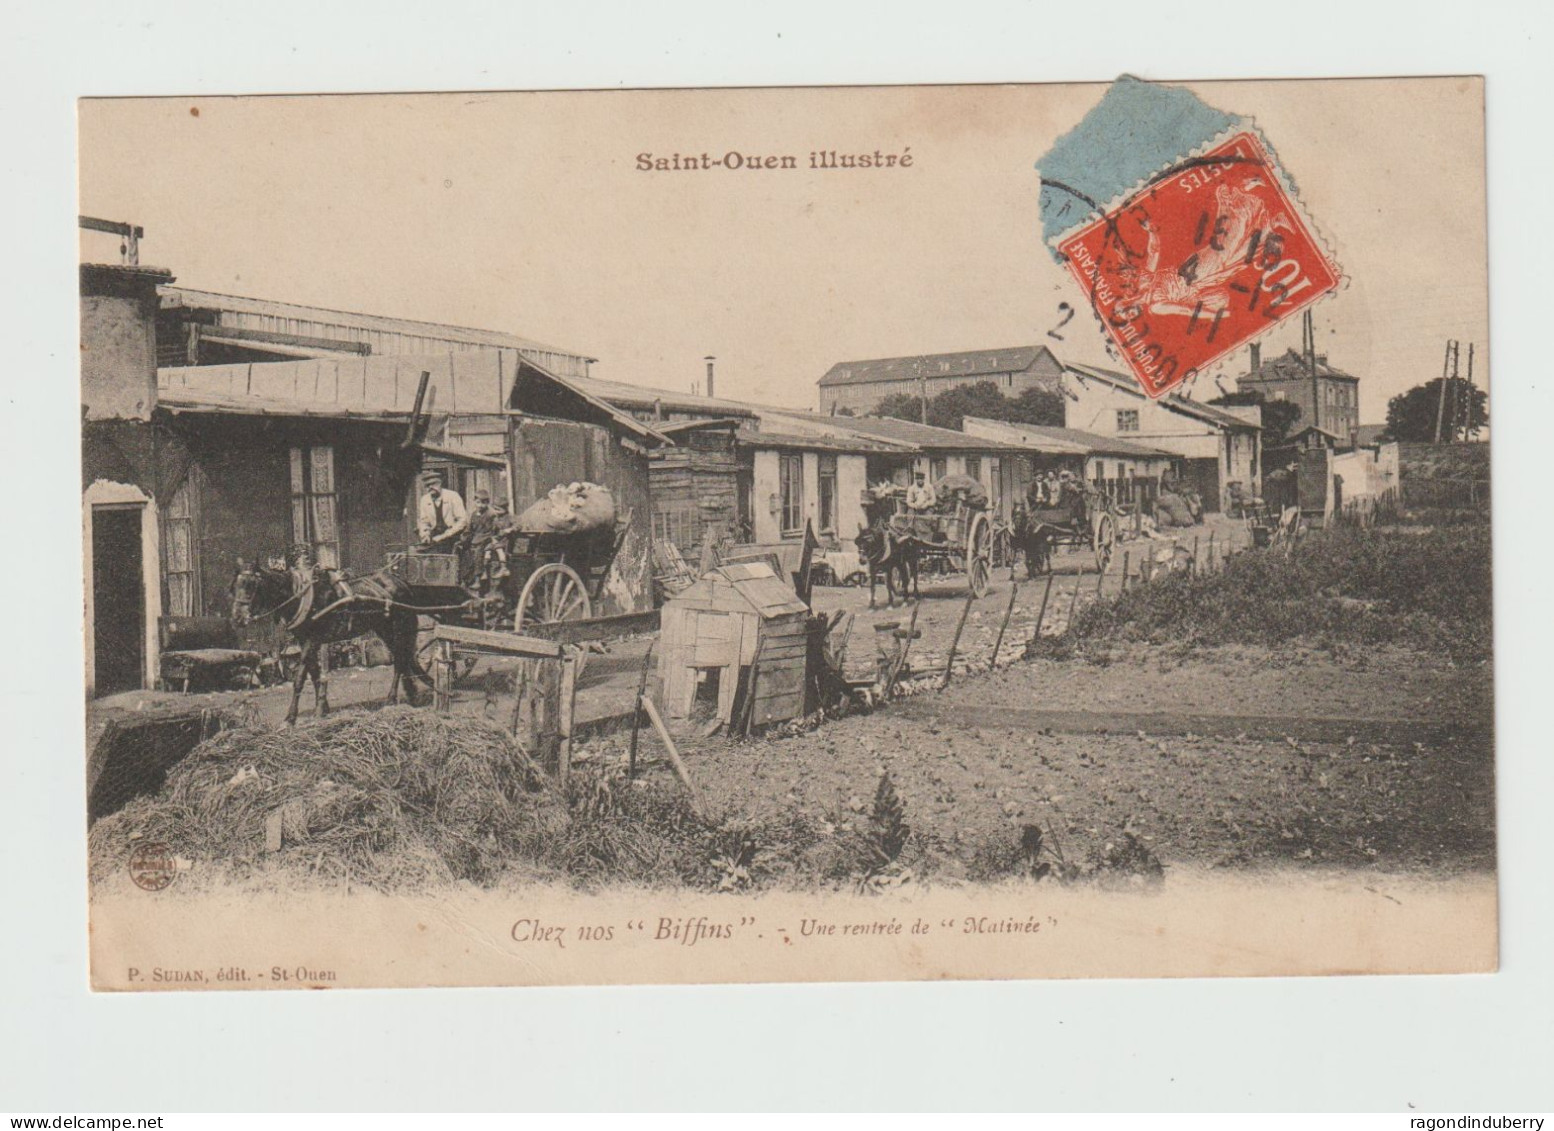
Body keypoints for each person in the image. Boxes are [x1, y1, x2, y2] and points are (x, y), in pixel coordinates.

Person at [416, 471, 468, 551]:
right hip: (434, 537)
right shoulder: (425, 500)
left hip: (453, 536)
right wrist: (425, 534)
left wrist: (445, 535)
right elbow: (424, 521)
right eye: (427, 485)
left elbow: (462, 520)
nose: (430, 487)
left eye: (433, 484)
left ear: (440, 483)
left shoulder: (453, 496)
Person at [460, 489, 497, 586]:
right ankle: (465, 579)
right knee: (463, 551)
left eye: (483, 503)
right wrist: (465, 537)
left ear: (487, 503)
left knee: (478, 553)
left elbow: (492, 530)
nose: (480, 505)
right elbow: (470, 528)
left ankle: (478, 579)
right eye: (478, 502)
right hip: (475, 538)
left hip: (486, 538)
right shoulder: (474, 514)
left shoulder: (490, 514)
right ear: (474, 502)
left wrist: (485, 539)